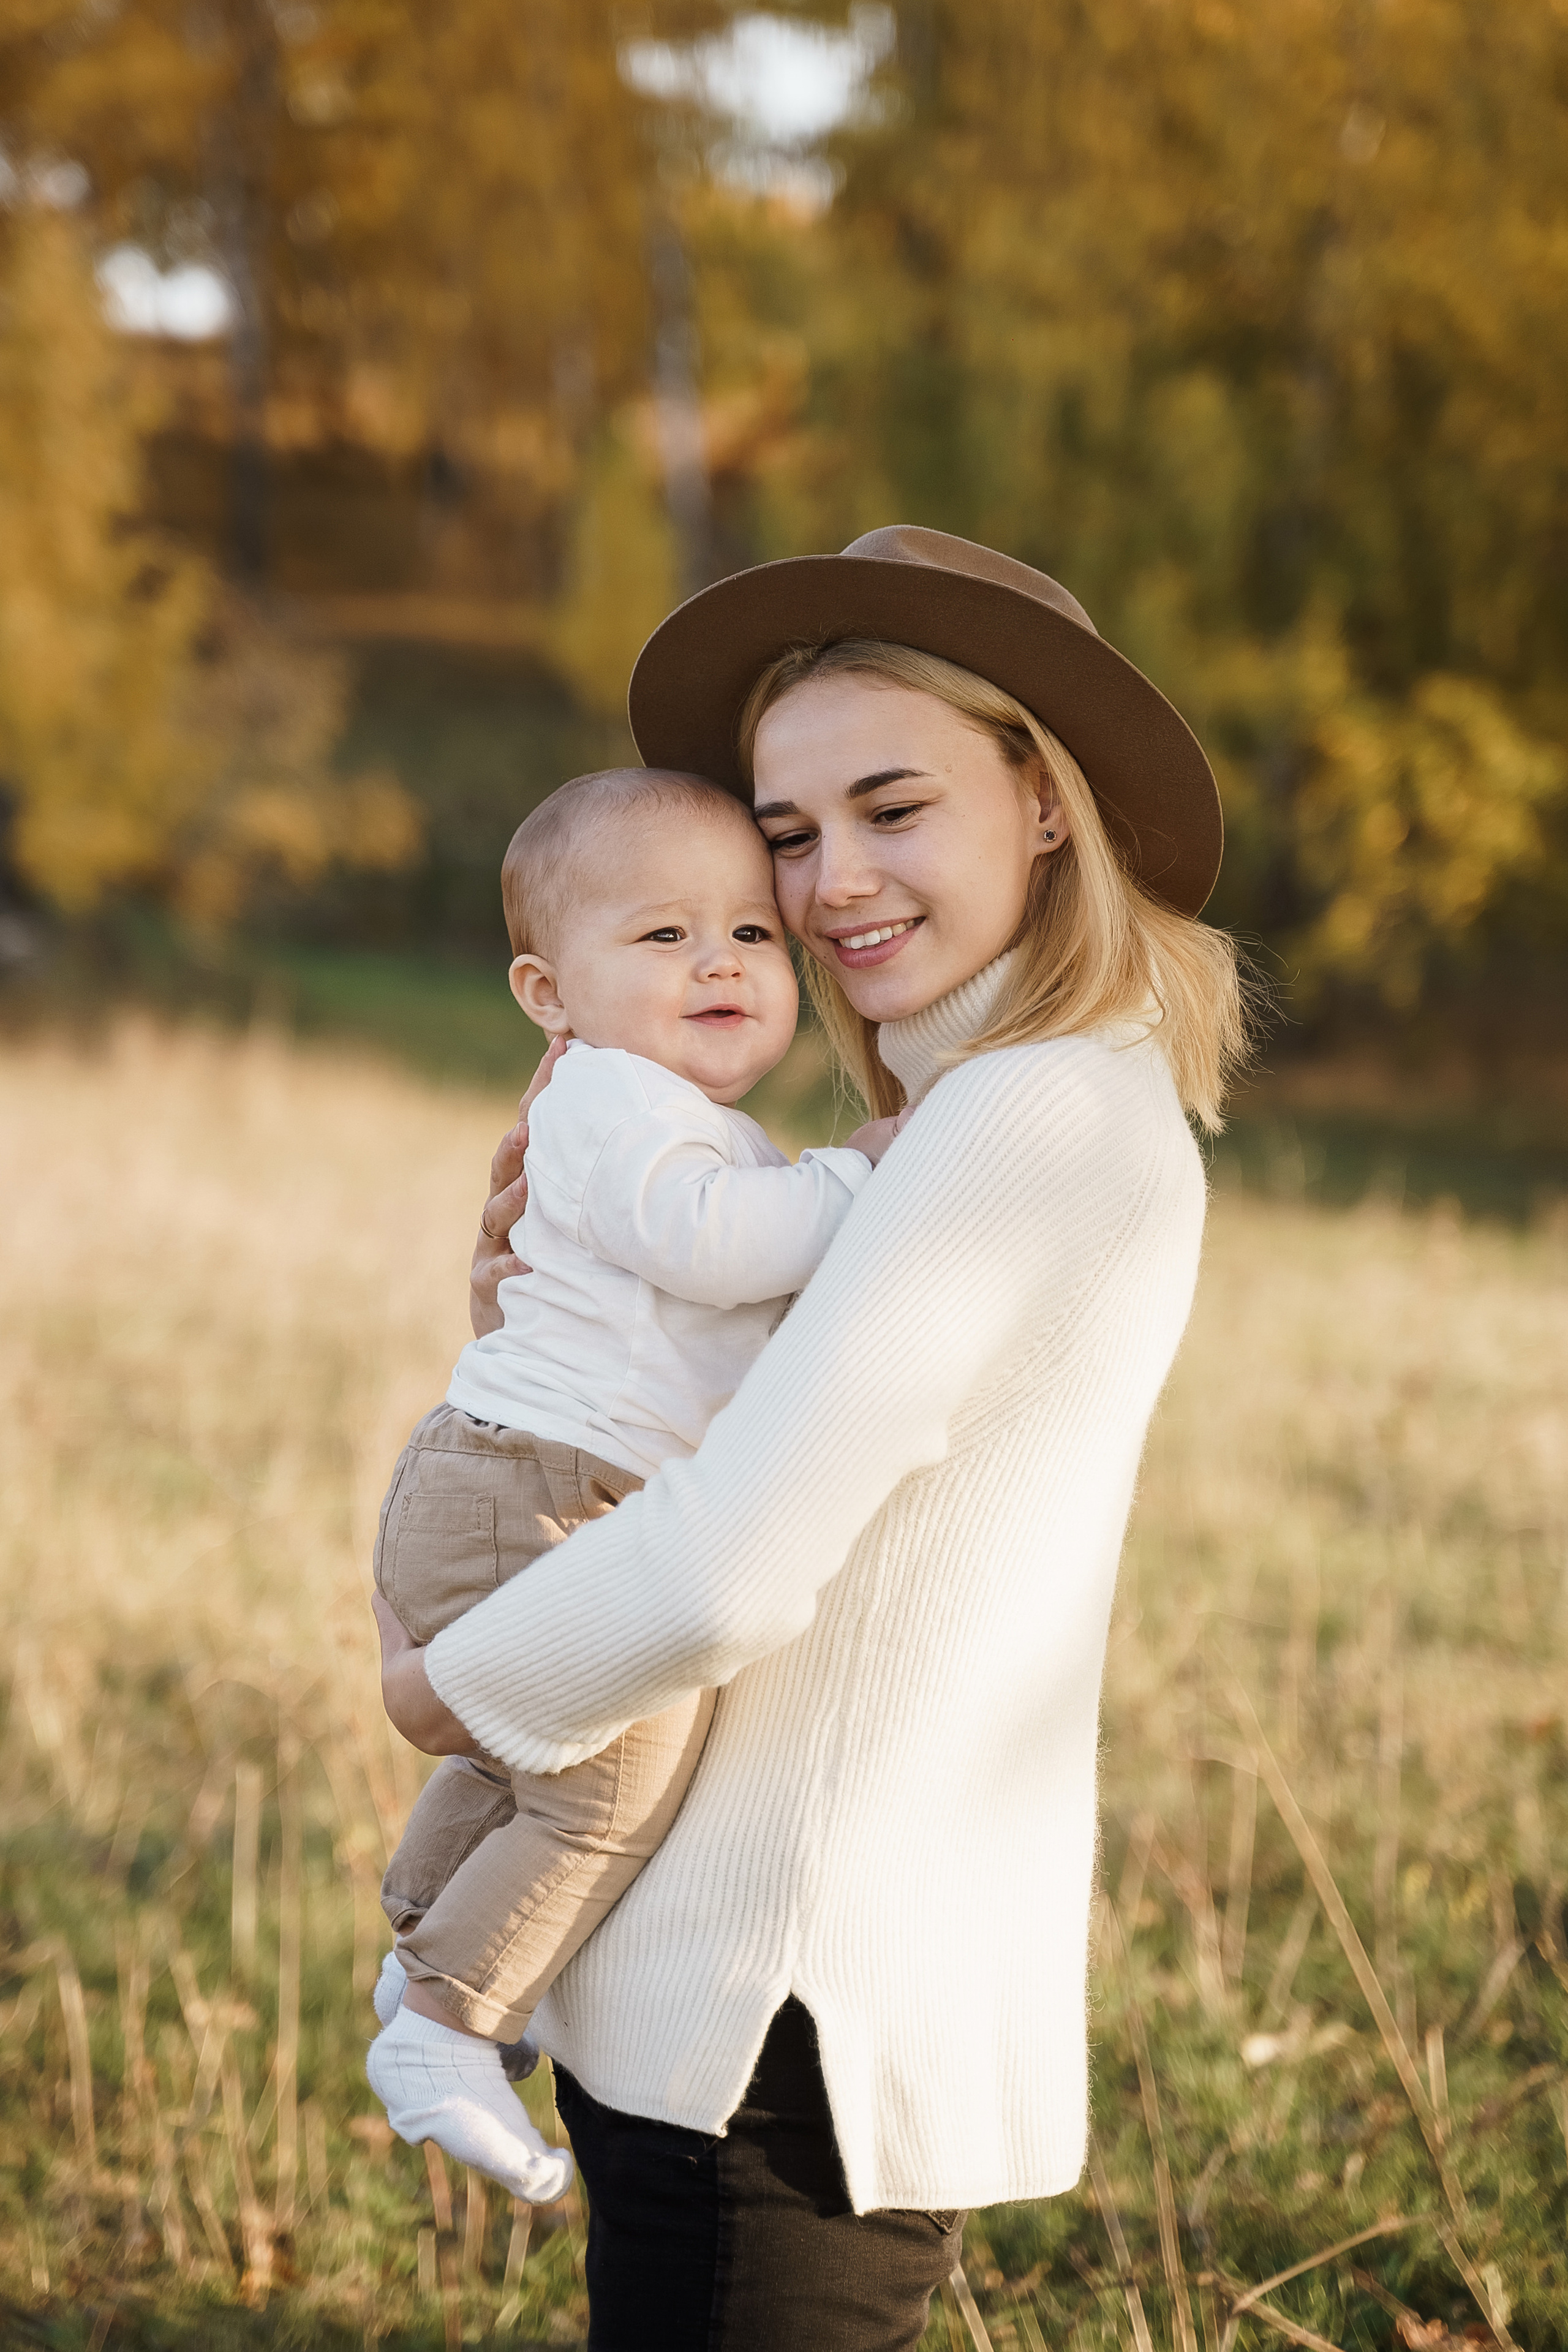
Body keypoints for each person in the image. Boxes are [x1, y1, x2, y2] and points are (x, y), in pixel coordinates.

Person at [375, 526, 1248, 2351]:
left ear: (1044, 804)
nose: (830, 878)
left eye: (891, 806)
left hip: (784, 2007)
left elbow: (724, 1566)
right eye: (786, 830)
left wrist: (449, 1680)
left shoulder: (1016, 1124)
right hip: (753, 1993)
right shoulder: (988, 1115)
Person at [366, 766, 895, 2202]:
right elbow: (712, 1246)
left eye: (748, 933)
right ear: (548, 992)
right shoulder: (607, 1101)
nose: (719, 960)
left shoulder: (659, 1107)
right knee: (612, 1782)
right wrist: (857, 1179)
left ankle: (427, 1932)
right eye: (661, 937)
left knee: (528, 1750)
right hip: (530, 1486)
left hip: (524, 1484)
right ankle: (448, 2026)